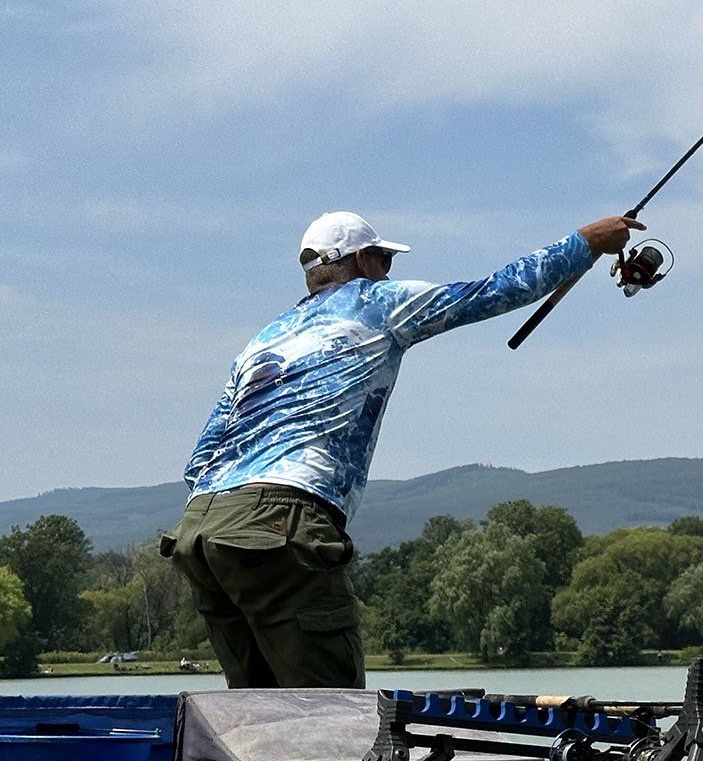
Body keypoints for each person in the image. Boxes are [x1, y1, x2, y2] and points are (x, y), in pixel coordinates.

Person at [164, 209, 640, 689]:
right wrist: (586, 243)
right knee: (332, 715)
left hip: (199, 528)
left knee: (257, 713)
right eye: (384, 260)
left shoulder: (262, 340)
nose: (387, 270)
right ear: (363, 260)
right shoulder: (376, 303)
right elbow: (492, 291)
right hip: (282, 521)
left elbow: (199, 459)